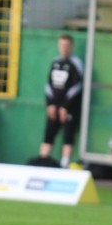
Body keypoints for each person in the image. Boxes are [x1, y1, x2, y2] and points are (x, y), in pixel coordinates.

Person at [39, 34, 83, 168]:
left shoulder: (76, 63)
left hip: (69, 107)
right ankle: (42, 162)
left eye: (67, 45)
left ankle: (64, 164)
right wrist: (51, 104)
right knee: (49, 134)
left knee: (68, 135)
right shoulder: (55, 62)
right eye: (62, 45)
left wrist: (65, 106)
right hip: (54, 106)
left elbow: (77, 86)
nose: (64, 48)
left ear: (71, 47)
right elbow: (48, 85)